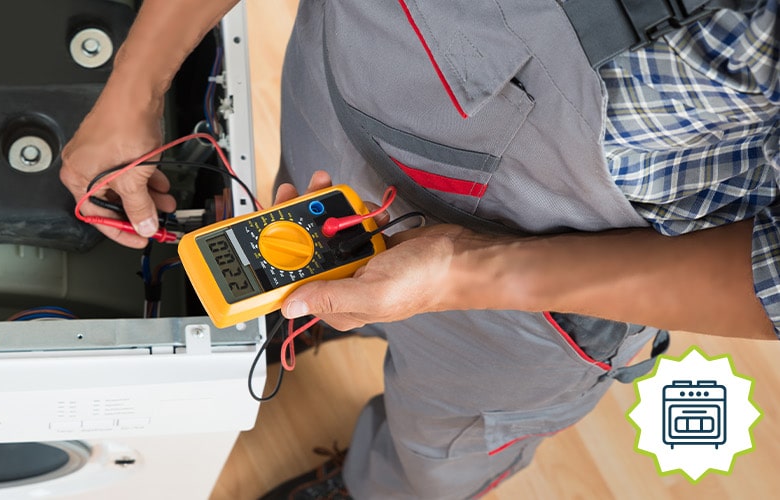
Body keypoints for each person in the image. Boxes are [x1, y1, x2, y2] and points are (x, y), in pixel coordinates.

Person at [61, 0, 780, 498]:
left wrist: (468, 267)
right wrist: (133, 87)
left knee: (444, 448)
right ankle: (302, 315)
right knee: (298, 239)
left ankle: (377, 490)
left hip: (558, 270)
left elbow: (769, 277)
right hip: (348, 85)